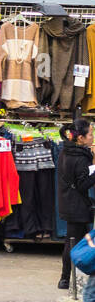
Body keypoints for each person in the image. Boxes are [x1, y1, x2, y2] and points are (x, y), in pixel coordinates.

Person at [58, 118, 95, 291]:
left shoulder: (67, 151)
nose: (92, 137)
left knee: (76, 240)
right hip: (77, 205)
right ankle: (65, 279)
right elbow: (82, 185)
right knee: (74, 241)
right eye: (90, 134)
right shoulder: (79, 157)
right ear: (80, 138)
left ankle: (68, 278)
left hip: (69, 202)